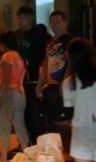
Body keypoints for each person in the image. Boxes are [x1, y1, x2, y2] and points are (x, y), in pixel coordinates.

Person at [36, 10, 74, 152]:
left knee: (65, 121)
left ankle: (69, 151)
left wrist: (65, 82)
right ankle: (60, 151)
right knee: (53, 121)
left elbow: (71, 62)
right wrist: (40, 85)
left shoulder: (70, 41)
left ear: (65, 23)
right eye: (52, 22)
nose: (54, 25)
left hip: (64, 87)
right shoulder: (51, 43)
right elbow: (46, 64)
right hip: (51, 87)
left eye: (58, 22)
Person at [15, 6, 50, 145]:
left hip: (36, 80)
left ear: (30, 18)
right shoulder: (18, 36)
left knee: (36, 115)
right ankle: (27, 143)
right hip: (22, 81)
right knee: (25, 114)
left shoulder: (39, 33)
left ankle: (38, 143)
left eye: (22, 18)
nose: (19, 21)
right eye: (18, 18)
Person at [0, 32, 29, 162]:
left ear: (4, 43)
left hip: (9, 93)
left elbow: (6, 79)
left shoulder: (7, 56)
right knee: (20, 124)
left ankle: (3, 157)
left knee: (3, 125)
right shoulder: (20, 56)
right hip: (20, 93)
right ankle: (26, 153)